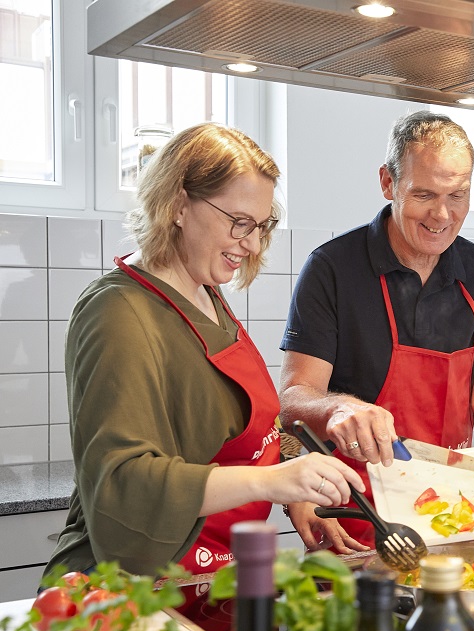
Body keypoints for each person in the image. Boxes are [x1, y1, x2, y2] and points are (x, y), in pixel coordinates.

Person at [43, 123, 363, 579]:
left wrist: (294, 479)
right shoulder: (117, 312)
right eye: (239, 222)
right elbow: (121, 482)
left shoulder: (206, 294)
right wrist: (269, 483)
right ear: (177, 205)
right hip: (136, 586)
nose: (251, 243)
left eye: (261, 225)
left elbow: (244, 434)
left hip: (210, 573)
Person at [279, 111, 474, 553]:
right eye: (424, 194)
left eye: (458, 195)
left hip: (452, 510)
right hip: (355, 512)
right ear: (388, 183)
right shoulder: (334, 268)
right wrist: (340, 408)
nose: (442, 214)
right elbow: (294, 397)